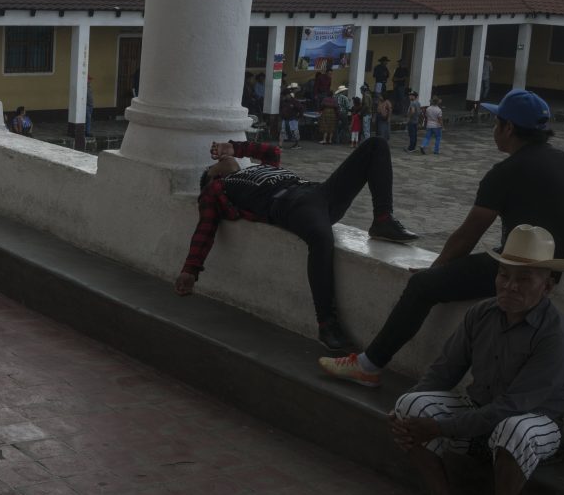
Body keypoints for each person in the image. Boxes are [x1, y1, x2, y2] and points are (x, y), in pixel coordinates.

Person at [319, 90, 564, 387]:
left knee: (422, 287)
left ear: (509, 128)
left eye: (497, 123)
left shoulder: (507, 172)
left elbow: (467, 236)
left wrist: (437, 269)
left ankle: (369, 365)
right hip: (558, 264)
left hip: (526, 266)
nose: (493, 130)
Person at [387, 224, 564, 495]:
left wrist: (441, 429)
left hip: (535, 422)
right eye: (504, 275)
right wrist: (406, 414)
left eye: (524, 279)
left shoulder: (555, 338)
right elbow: (444, 371)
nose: (510, 286)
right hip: (480, 412)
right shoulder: (481, 314)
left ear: (547, 287)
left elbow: (512, 407)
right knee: (408, 406)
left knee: (514, 429)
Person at [174, 137, 418, 351]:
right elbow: (204, 229)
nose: (225, 161)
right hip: (291, 206)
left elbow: (272, 152)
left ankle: (383, 218)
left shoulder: (261, 170)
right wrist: (190, 269)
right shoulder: (217, 189)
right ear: (212, 175)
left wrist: (235, 147)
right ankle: (326, 323)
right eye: (215, 165)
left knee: (375, 145)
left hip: (319, 192)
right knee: (322, 241)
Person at [279, 85, 303, 149]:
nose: (283, 97)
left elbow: (301, 109)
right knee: (283, 131)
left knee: (295, 132)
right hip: (285, 119)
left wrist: (299, 117)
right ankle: (280, 145)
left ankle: (297, 144)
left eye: (284, 96)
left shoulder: (294, 101)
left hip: (293, 119)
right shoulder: (283, 102)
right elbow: (281, 109)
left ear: (288, 95)